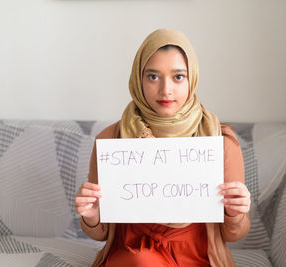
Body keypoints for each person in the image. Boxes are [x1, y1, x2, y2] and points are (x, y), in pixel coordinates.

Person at [74, 29, 251, 267]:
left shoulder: (221, 141)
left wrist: (235, 212)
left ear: (192, 79)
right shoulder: (111, 141)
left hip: (198, 256)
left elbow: (233, 234)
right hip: (132, 252)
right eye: (153, 77)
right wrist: (92, 214)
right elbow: (101, 233)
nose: (166, 90)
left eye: (178, 77)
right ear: (139, 79)